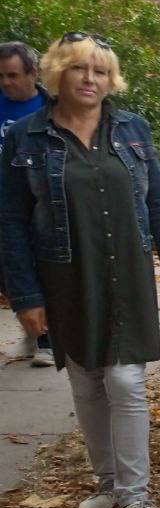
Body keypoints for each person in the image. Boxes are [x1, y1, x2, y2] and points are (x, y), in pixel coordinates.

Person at [0, 33, 160, 508]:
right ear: (58, 73)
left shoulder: (132, 129)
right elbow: (12, 221)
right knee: (86, 381)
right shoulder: (26, 136)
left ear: (111, 80)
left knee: (125, 381)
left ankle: (136, 497)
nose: (91, 79)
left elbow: (159, 204)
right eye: (81, 69)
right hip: (64, 274)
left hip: (126, 270)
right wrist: (26, 296)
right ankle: (108, 484)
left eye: (101, 71)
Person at [0, 41, 53, 366]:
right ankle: (31, 332)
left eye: (13, 75)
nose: (6, 82)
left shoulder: (50, 110)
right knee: (8, 272)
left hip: (36, 203)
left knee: (38, 269)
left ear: (33, 73)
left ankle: (47, 340)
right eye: (1, 76)